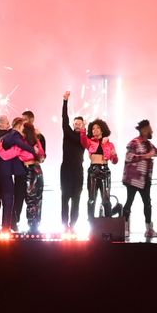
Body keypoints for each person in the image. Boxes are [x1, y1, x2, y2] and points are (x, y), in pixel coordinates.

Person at [0, 116, 34, 229]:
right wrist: (34, 151)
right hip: (10, 173)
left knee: (5, 199)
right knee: (9, 199)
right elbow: (8, 155)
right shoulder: (15, 136)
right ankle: (7, 226)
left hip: (14, 172)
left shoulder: (12, 137)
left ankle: (6, 225)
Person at [122, 119, 157, 238]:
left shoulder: (149, 144)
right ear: (145, 130)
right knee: (129, 201)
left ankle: (149, 229)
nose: (152, 131)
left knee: (147, 203)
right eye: (150, 129)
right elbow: (128, 157)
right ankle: (124, 228)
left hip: (145, 179)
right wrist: (145, 156)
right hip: (133, 179)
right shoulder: (134, 142)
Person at [59, 93, 87, 229]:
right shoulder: (68, 133)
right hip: (66, 170)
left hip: (78, 171)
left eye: (79, 124)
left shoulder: (84, 138)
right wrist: (65, 101)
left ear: (83, 125)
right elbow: (64, 119)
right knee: (65, 198)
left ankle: (73, 225)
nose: (76, 125)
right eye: (75, 123)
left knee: (76, 199)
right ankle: (65, 225)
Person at [84, 119, 117, 219]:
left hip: (105, 170)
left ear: (102, 130)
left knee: (106, 200)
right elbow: (83, 141)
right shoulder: (90, 142)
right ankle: (91, 223)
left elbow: (114, 161)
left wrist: (114, 156)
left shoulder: (109, 144)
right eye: (93, 128)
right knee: (91, 199)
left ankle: (108, 224)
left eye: (98, 127)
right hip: (93, 170)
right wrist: (82, 129)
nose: (95, 130)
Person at [20, 110, 47, 231]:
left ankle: (34, 227)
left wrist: (37, 156)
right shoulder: (22, 136)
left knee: (35, 198)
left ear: (32, 120)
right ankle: (33, 226)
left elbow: (43, 157)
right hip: (33, 168)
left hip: (33, 169)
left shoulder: (38, 137)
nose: (23, 122)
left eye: (25, 119)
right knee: (33, 198)